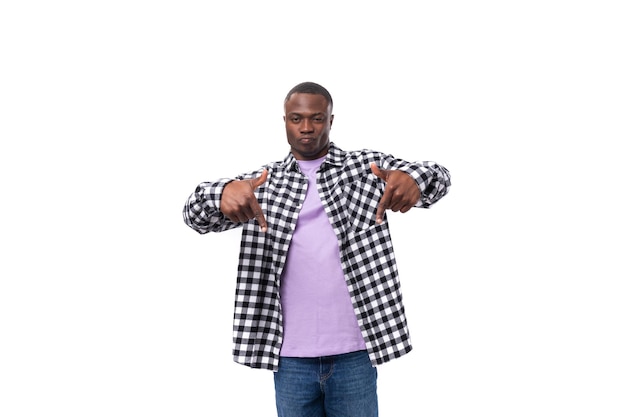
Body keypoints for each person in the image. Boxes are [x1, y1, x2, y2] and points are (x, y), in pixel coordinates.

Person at [183, 81, 451, 417]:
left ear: (331, 120)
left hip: (356, 352)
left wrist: (414, 178)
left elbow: (439, 176)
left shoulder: (365, 169)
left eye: (317, 118)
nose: (306, 128)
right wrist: (220, 194)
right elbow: (194, 216)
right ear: (284, 121)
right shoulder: (260, 183)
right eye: (296, 119)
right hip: (289, 355)